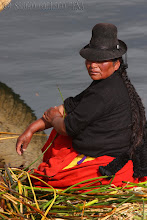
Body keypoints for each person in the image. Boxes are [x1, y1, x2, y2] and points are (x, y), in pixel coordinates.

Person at [16, 23, 147, 189]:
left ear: (116, 64)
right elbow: (68, 107)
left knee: (45, 180)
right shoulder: (109, 82)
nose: (93, 65)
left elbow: (66, 127)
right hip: (107, 148)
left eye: (101, 61)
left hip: (107, 160)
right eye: (90, 59)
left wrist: (54, 118)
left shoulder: (103, 93)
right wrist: (31, 129)